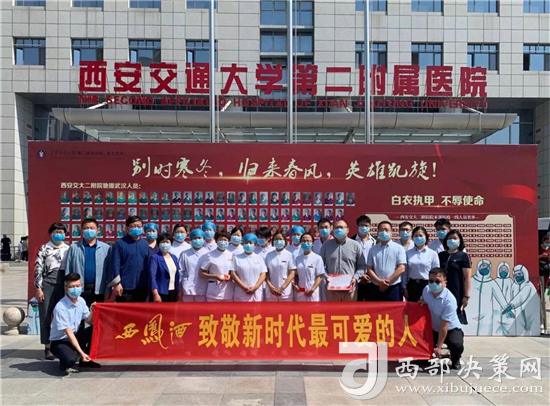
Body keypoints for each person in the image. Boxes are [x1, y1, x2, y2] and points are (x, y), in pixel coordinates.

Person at [49, 273, 100, 374]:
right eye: (72, 287)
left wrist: (93, 310)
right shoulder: (61, 307)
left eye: (77, 286)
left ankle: (86, 359)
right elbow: (69, 333)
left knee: (96, 329)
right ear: (65, 288)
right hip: (61, 340)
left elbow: (88, 321)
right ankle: (65, 362)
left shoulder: (81, 301)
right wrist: (81, 353)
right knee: (70, 360)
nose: (75, 289)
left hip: (75, 335)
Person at [34, 223, 70, 360]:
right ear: (50, 234)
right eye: (56, 232)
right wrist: (38, 288)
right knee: (45, 316)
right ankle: (47, 347)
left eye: (61, 232)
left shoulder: (69, 248)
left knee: (61, 315)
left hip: (63, 284)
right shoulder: (44, 248)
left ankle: (60, 345)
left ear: (65, 234)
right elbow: (38, 268)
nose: (58, 234)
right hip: (47, 284)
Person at [420, 268, 464, 370]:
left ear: (445, 283)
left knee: (456, 344)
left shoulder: (449, 300)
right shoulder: (426, 290)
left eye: (437, 281)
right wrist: (421, 302)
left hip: (450, 329)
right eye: (431, 281)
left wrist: (439, 347)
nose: (433, 284)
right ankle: (425, 357)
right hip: (433, 328)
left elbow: (444, 326)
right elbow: (422, 300)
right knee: (418, 341)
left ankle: (455, 358)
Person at [63, 219, 110, 307]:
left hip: (98, 290)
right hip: (78, 289)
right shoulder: (74, 247)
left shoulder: (106, 248)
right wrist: (67, 288)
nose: (89, 230)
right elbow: (68, 269)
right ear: (82, 230)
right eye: (86, 228)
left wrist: (108, 288)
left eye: (92, 228)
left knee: (95, 313)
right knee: (78, 313)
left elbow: (109, 270)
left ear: (97, 230)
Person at [320, 220, 365, 302]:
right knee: (333, 310)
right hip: (332, 290)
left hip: (350, 289)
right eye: (336, 227)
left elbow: (362, 265)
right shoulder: (326, 245)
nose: (339, 230)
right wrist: (326, 277)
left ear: (347, 230)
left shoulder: (356, 245)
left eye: (341, 227)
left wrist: (355, 278)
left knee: (349, 310)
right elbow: (320, 265)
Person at [108, 216, 150, 302]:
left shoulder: (145, 244)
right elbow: (115, 265)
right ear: (127, 228)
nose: (136, 228)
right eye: (133, 226)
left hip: (143, 287)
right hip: (124, 287)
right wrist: (117, 284)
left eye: (139, 226)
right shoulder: (119, 244)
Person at [366, 221, 407, 301]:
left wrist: (388, 281)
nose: (384, 232)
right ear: (377, 232)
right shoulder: (372, 249)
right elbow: (369, 268)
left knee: (395, 309)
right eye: (381, 230)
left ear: (391, 232)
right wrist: (379, 282)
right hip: (376, 287)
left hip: (393, 287)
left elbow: (402, 268)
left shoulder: (399, 248)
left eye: (386, 230)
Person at [438, 230, 471, 324]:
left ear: (460, 241)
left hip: (456, 290)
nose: (452, 240)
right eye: (450, 238)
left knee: (455, 316)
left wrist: (466, 296)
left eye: (455, 238)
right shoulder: (441, 255)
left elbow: (467, 277)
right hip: (441, 290)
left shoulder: (463, 256)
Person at [402, 226, 440, 302]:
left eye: (421, 235)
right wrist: (404, 287)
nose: (418, 238)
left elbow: (436, 272)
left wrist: (434, 286)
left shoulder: (432, 254)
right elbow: (405, 272)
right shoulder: (408, 253)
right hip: (412, 285)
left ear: (426, 237)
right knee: (412, 307)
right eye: (416, 236)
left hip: (427, 285)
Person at [231, 234, 267, 302]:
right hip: (241, 291)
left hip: (256, 292)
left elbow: (263, 274)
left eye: (250, 243)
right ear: (243, 244)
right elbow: (233, 274)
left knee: (256, 309)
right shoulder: (236, 258)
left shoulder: (259, 258)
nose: (248, 245)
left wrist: (255, 287)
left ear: (255, 245)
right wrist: (244, 287)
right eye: (246, 243)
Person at [200, 231, 235, 302]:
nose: (223, 242)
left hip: (228, 291)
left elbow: (234, 272)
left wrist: (230, 276)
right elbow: (202, 273)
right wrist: (215, 276)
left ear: (229, 241)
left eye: (225, 240)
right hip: (214, 291)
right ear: (216, 241)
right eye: (220, 240)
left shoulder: (232, 255)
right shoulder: (209, 255)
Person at [265, 232, 296, 302]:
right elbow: (265, 273)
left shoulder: (289, 255)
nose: (278, 241)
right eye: (276, 239)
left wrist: (282, 288)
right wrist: (271, 287)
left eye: (280, 239)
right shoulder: (268, 255)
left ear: (285, 241)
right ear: (273, 241)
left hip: (286, 291)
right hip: (271, 291)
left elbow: (292, 273)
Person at [179, 229, 208, 302]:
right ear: (191, 240)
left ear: (204, 239)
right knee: (187, 308)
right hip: (187, 288)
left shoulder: (208, 254)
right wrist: (179, 289)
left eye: (199, 238)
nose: (197, 240)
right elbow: (180, 272)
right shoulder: (184, 254)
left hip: (203, 289)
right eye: (194, 238)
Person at [149, 234, 180, 302]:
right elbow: (152, 277)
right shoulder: (155, 258)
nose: (165, 244)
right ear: (158, 244)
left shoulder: (174, 257)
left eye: (167, 242)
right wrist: (155, 294)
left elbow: (177, 275)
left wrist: (178, 291)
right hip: (160, 292)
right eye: (163, 242)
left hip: (173, 291)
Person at [294, 233, 325, 302]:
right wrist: (295, 284)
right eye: (304, 241)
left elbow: (320, 276)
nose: (306, 243)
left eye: (308, 241)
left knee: (313, 308)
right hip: (300, 290)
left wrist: (312, 289)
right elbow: (296, 275)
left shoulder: (317, 258)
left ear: (312, 243)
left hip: (312, 291)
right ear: (301, 243)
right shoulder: (297, 259)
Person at [353, 215, 376, 302]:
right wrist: (360, 275)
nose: (364, 228)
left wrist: (369, 274)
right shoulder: (351, 241)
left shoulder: (376, 241)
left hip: (372, 279)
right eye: (361, 225)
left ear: (370, 226)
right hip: (355, 279)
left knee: (371, 305)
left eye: (366, 225)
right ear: (357, 226)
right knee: (356, 306)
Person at [539, 235, 550, 332]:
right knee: (540, 298)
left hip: (547, 274)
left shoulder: (549, 249)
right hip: (540, 273)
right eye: (547, 242)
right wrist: (541, 256)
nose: (548, 244)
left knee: (544, 294)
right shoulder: (538, 248)